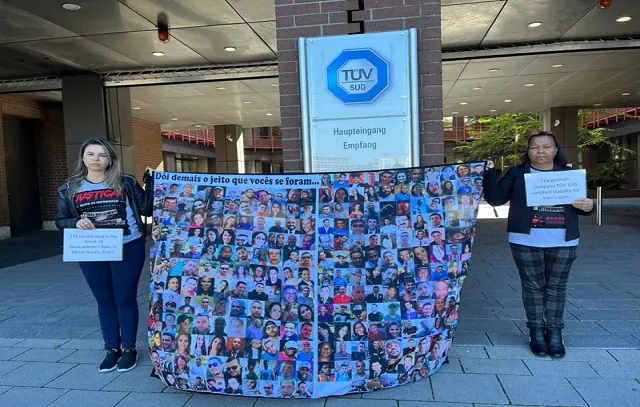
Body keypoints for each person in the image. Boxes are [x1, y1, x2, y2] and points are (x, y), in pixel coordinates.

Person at [483, 131, 594, 359]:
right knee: (532, 288)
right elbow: (495, 199)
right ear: (528, 151)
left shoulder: (568, 175)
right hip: (526, 240)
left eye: (546, 147)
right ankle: (535, 332)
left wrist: (589, 205)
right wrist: (488, 172)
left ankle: (554, 334)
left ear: (555, 150)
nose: (540, 151)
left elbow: (583, 207)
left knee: (556, 288)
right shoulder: (517, 173)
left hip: (563, 241)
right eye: (535, 147)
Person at [56, 138, 153, 372]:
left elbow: (147, 209)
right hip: (92, 247)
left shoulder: (125, 182)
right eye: (91, 154)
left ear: (110, 159)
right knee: (104, 299)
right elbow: (60, 220)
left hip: (127, 246)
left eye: (102, 155)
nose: (96, 159)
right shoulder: (70, 187)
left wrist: (152, 182)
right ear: (83, 157)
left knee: (125, 297)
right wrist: (75, 222)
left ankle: (129, 348)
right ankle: (112, 348)